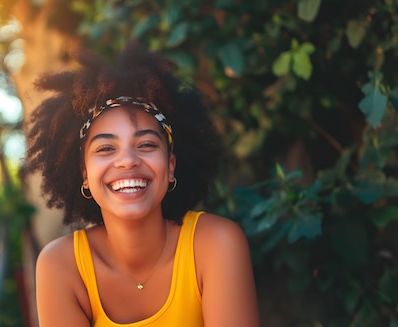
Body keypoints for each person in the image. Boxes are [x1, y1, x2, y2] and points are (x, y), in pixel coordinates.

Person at [25, 43, 260, 326]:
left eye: (146, 144)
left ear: (171, 165)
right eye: (105, 149)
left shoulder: (216, 244)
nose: (127, 161)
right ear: (84, 173)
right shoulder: (62, 266)